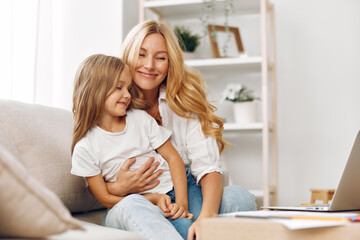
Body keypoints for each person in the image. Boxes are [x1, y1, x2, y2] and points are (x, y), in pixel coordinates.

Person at [102, 20, 257, 240]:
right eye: (141, 54)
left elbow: (208, 168)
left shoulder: (183, 103)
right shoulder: (111, 105)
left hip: (183, 197)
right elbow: (92, 173)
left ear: (170, 62)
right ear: (128, 55)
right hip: (139, 204)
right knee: (136, 205)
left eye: (160, 58)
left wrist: (206, 217)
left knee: (239, 197)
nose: (149, 65)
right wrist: (118, 186)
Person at [71, 54, 193, 240]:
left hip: (171, 194)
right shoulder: (85, 147)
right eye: (119, 87)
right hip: (130, 206)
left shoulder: (140, 119)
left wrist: (182, 202)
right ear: (95, 90)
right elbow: (104, 198)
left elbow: (174, 158)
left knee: (186, 226)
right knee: (133, 202)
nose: (127, 95)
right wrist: (152, 199)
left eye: (128, 88)